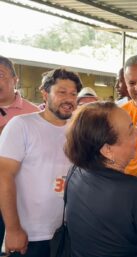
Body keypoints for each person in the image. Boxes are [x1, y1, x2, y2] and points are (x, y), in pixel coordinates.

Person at [64, 101, 137, 257]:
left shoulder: (76, 171)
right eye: (131, 131)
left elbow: (114, 225)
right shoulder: (136, 191)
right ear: (108, 150)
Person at [0, 68, 82, 257]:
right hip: (31, 236)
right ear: (45, 93)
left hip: (69, 233)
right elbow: (4, 176)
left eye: (73, 94)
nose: (69, 99)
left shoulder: (78, 130)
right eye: (62, 92)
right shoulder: (22, 125)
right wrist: (13, 229)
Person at [0, 55, 39, 255]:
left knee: (17, 249)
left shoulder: (33, 114)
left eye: (0, 75)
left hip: (19, 198)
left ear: (15, 80)